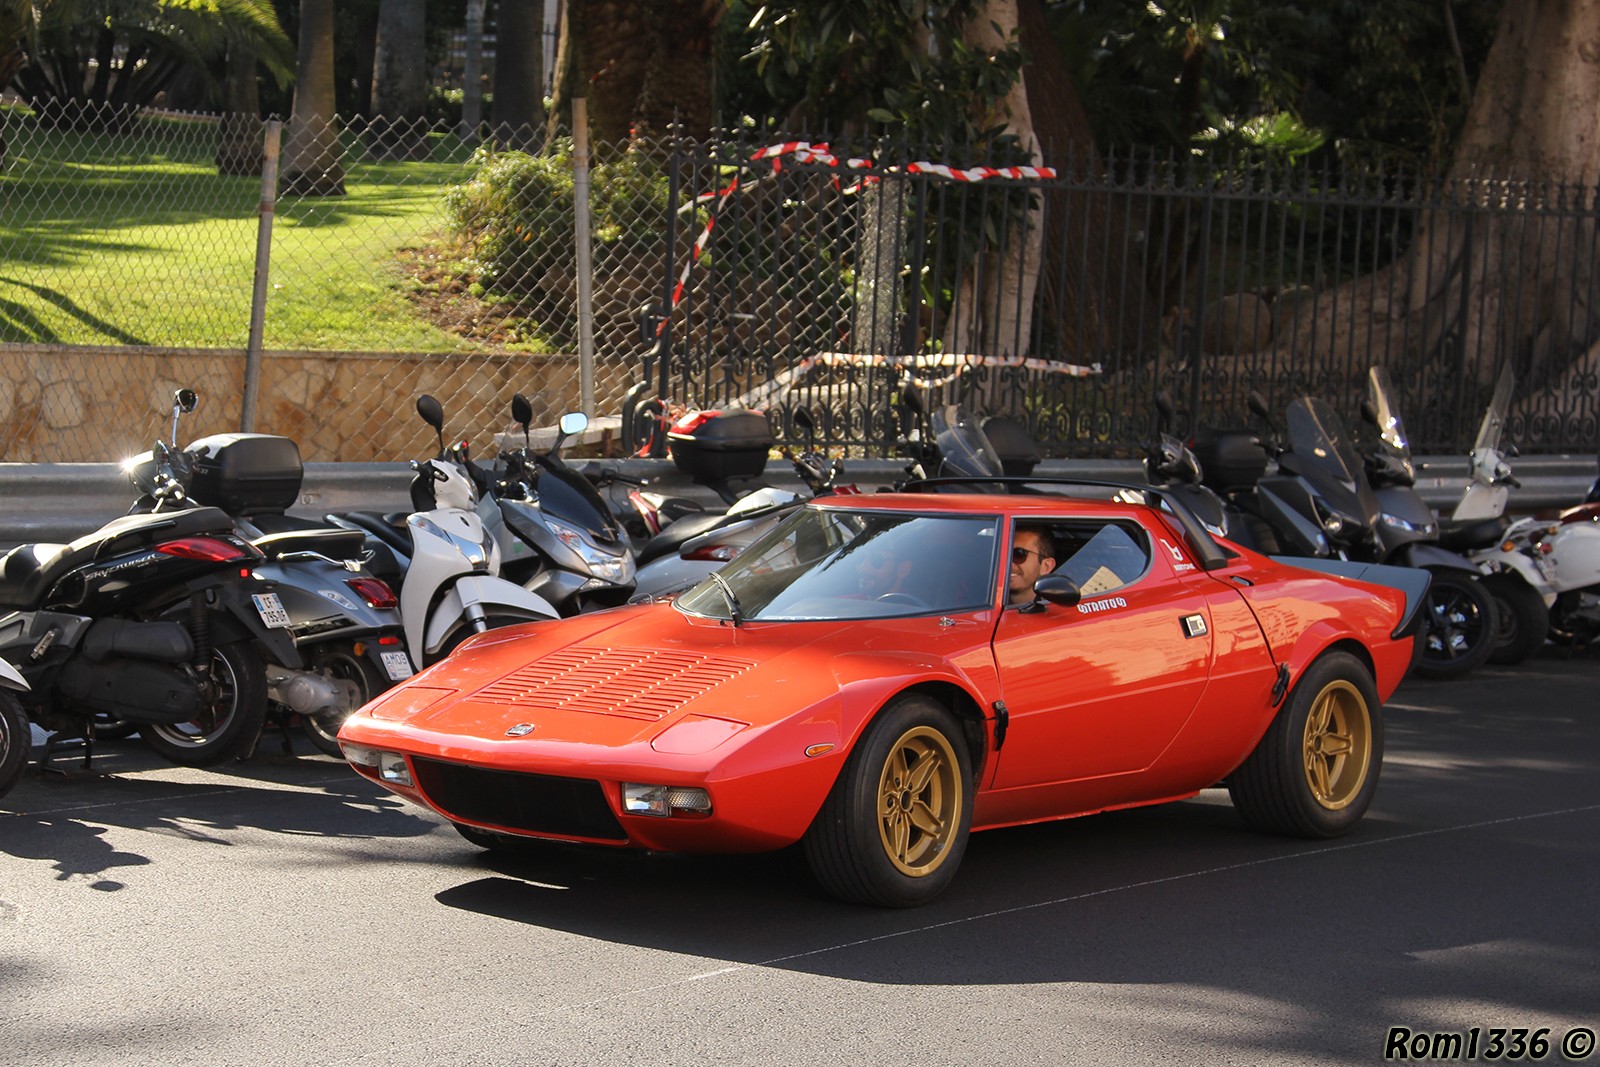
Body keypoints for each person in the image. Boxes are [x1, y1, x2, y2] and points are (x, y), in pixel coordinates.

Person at [1008, 523, 1057, 604]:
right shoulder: (982, 602)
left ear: (1046, 566)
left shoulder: (1057, 612)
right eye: (1002, 553)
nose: (1008, 562)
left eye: (1019, 554)